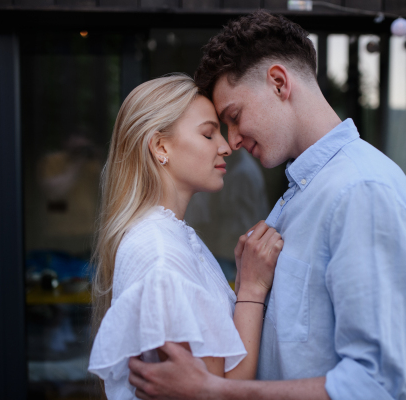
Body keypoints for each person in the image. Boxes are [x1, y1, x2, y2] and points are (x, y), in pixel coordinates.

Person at [127, 10, 406, 400]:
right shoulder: (307, 193)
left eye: (234, 117)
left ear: (278, 82)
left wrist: (212, 391)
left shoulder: (361, 191)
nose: (233, 141)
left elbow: (376, 385)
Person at [88, 74, 284, 399]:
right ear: (160, 145)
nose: (226, 146)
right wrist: (251, 287)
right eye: (208, 134)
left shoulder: (168, 234)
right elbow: (222, 391)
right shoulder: (161, 252)